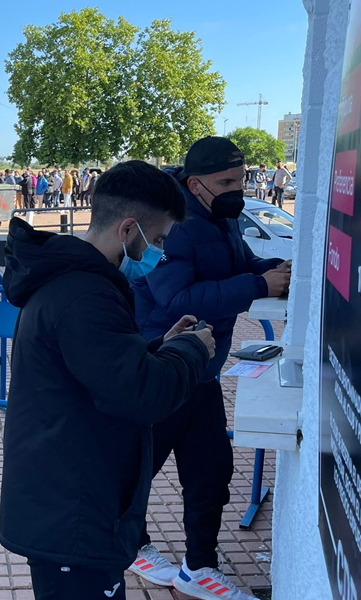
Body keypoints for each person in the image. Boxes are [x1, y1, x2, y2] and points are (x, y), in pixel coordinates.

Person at [0, 160, 214, 600]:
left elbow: (102, 372)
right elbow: (142, 395)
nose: (157, 253)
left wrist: (161, 347)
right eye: (156, 241)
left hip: (73, 503)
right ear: (128, 230)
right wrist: (193, 350)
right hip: (74, 517)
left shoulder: (80, 286)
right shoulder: (85, 296)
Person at [130, 137, 290, 600]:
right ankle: (129, 545)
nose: (237, 189)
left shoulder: (222, 217)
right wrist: (258, 283)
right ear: (196, 183)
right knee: (138, 467)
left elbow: (236, 265)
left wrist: (274, 269)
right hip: (162, 364)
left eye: (241, 179)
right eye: (226, 182)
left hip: (203, 368)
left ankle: (199, 567)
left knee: (211, 472)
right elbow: (176, 299)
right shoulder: (172, 225)